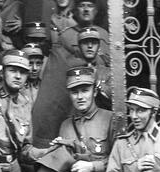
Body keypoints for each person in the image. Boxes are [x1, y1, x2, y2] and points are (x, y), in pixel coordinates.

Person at [32, 0, 110, 148]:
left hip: (102, 98)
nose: (86, 10)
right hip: (76, 97)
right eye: (82, 5)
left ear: (97, 10)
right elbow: (58, 69)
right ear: (75, 10)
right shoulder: (66, 36)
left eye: (90, 5)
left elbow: (111, 65)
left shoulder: (105, 35)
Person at [78, 26, 111, 109]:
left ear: (99, 46)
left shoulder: (107, 72)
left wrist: (98, 83)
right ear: (79, 46)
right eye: (85, 42)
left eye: (94, 42)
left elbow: (114, 99)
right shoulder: (73, 70)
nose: (90, 46)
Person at [22, 43, 44, 109]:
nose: (35, 68)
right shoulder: (16, 87)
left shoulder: (45, 87)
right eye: (30, 63)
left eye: (38, 64)